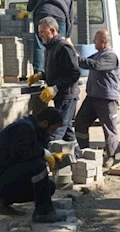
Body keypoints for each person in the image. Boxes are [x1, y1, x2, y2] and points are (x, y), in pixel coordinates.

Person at [0, 107, 70, 223]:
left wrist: (50, 154)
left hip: (5, 177)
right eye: (52, 130)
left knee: (49, 187)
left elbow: (29, 152)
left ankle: (4, 200)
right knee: (38, 165)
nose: (52, 133)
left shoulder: (34, 129)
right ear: (45, 123)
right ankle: (43, 213)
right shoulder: (23, 128)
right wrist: (43, 153)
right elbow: (24, 155)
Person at [27, 17, 81, 150]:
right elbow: (58, 71)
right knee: (67, 131)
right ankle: (78, 156)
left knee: (56, 130)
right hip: (60, 95)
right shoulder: (50, 47)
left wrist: (56, 87)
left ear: (52, 30)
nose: (40, 35)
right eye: (39, 32)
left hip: (67, 96)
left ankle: (44, 159)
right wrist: (42, 75)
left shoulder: (63, 47)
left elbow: (74, 73)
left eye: (42, 32)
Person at [74, 29, 120, 168]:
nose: (93, 41)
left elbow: (94, 65)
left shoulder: (110, 56)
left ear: (104, 42)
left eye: (96, 39)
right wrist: (73, 54)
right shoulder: (99, 54)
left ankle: (111, 156)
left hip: (106, 98)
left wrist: (78, 59)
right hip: (93, 97)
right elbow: (86, 61)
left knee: (109, 128)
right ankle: (84, 150)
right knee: (80, 122)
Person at [23, 0, 74, 75]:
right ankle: (59, 72)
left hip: (43, 10)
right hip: (60, 14)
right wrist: (67, 35)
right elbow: (71, 17)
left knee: (40, 42)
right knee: (60, 44)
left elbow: (30, 4)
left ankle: (38, 72)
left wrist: (28, 10)